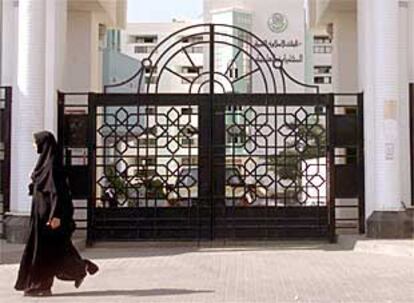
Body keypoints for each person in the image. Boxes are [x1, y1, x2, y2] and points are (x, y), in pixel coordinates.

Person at [14, 131, 99, 297]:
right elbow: (42, 189)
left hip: (49, 218)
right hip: (41, 215)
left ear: (44, 144)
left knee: (45, 251)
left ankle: (41, 286)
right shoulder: (44, 165)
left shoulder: (52, 166)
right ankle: (80, 268)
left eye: (36, 142)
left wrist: (56, 216)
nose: (34, 145)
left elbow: (58, 193)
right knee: (55, 249)